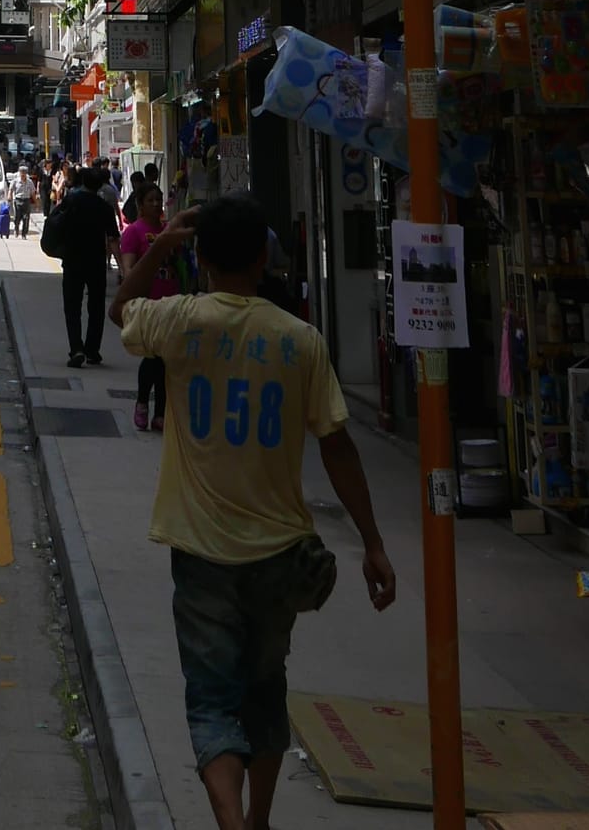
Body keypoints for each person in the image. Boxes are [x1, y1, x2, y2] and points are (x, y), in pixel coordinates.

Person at [111, 196, 396, 830]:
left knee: (212, 699)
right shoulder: (300, 340)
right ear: (265, 258)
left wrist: (159, 246)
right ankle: (260, 821)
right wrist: (373, 541)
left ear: (202, 258)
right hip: (278, 553)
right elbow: (339, 446)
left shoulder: (181, 320)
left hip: (201, 550)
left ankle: (234, 826)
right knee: (266, 693)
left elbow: (119, 310)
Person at [119, 191, 179, 433]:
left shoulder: (169, 230)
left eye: (158, 200)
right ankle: (143, 401)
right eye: (150, 200)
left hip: (172, 302)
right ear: (140, 204)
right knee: (153, 355)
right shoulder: (134, 231)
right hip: (147, 302)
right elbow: (128, 267)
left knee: (167, 358)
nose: (155, 204)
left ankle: (161, 413)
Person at [50, 165, 121, 367]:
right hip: (96, 262)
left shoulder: (71, 201)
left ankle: (76, 349)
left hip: (72, 260)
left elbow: (57, 223)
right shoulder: (104, 208)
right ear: (100, 185)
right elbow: (114, 239)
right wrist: (123, 268)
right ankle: (92, 350)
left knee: (72, 307)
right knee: (96, 307)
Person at [12, 159, 37, 240]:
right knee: (17, 217)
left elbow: (33, 193)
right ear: (19, 173)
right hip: (18, 200)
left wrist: (36, 202)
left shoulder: (30, 182)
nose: (23, 174)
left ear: (26, 173)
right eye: (21, 172)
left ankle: (24, 234)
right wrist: (9, 196)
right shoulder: (16, 181)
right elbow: (11, 189)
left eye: (24, 173)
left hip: (26, 201)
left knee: (26, 218)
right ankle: (16, 229)